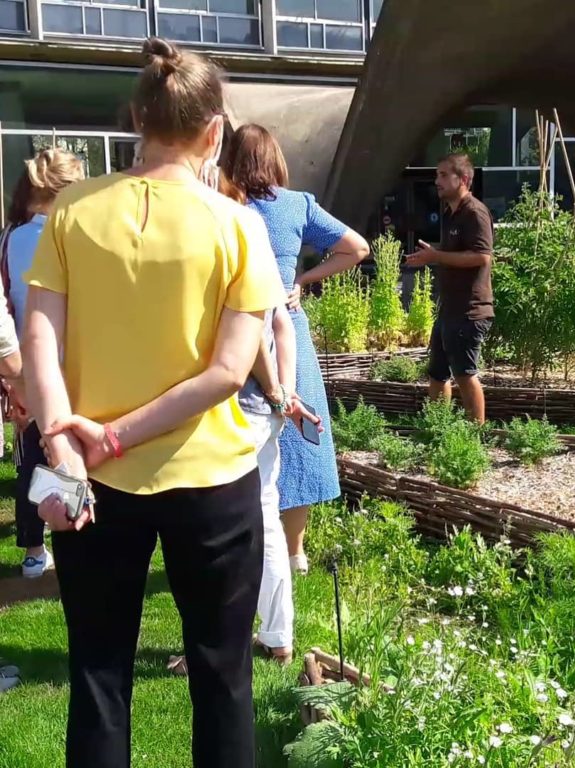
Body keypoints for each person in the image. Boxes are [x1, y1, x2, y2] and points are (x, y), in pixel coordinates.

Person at [24, 37, 285, 768]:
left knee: (99, 674)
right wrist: (110, 437)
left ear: (137, 117)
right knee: (222, 678)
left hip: (89, 478)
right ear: (214, 131)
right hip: (211, 480)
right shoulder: (240, 227)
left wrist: (69, 441)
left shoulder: (72, 210)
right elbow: (231, 373)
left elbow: (40, 338)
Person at [166, 174, 322, 675]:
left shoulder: (222, 238)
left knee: (215, 527)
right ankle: (278, 636)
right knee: (265, 516)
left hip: (238, 405)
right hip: (265, 404)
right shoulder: (254, 235)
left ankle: (213, 644)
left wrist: (276, 389)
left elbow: (251, 331)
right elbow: (281, 322)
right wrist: (287, 388)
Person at [221, 124, 369, 575]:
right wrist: (302, 281)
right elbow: (357, 248)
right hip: (289, 332)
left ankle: (239, 543)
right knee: (298, 440)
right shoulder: (297, 205)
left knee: (233, 435)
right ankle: (293, 551)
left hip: (231, 329)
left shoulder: (224, 205)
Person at [1, 148, 84, 578]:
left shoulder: (9, 237)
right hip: (74, 360)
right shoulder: (74, 234)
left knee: (32, 453)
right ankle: (78, 523)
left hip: (25, 365)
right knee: (71, 448)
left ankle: (34, 549)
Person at [405, 153, 494, 424]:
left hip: (471, 310)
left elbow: (482, 257)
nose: (437, 181)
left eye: (444, 175)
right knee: (437, 373)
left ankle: (476, 437)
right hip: (450, 309)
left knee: (465, 373)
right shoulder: (451, 212)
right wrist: (432, 255)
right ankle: (437, 427)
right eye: (437, 175)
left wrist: (437, 256)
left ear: (463, 179)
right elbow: (456, 252)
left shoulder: (474, 212)